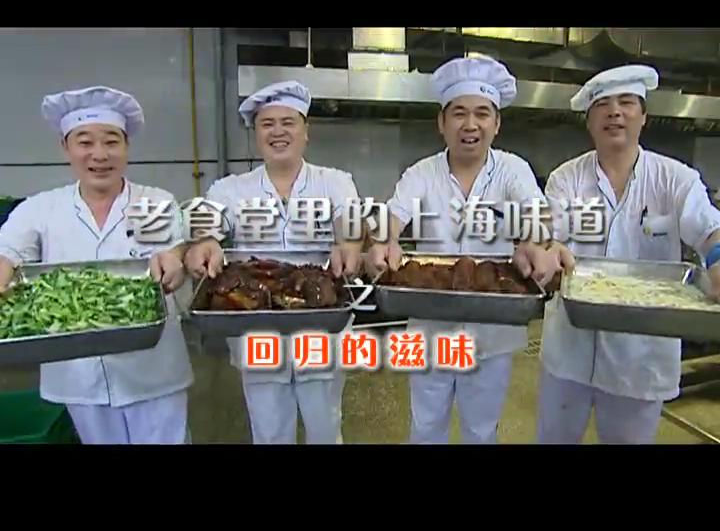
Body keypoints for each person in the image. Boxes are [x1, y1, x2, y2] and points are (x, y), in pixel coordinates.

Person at [367, 56, 565, 444]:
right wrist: (382, 240)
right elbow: (392, 215)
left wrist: (534, 241)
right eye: (459, 113)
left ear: (497, 123)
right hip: (429, 329)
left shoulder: (513, 170)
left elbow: (535, 212)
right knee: (425, 428)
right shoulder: (421, 173)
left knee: (481, 430)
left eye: (482, 113)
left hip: (492, 333)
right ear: (442, 123)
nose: (470, 124)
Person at [0, 86, 194, 444]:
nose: (99, 154)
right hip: (77, 377)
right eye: (85, 142)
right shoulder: (40, 209)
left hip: (153, 373)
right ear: (66, 148)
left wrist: (174, 260)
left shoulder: (155, 202)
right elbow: (8, 250)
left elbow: (174, 247)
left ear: (126, 147)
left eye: (111, 141)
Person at [537, 65, 720, 444]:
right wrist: (546, 251)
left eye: (626, 102)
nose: (615, 112)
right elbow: (547, 235)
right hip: (569, 351)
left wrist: (718, 258)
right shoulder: (566, 179)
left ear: (644, 116)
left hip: (641, 360)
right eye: (602, 105)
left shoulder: (675, 179)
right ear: (589, 121)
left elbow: (709, 229)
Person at [184, 80, 361, 444]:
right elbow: (206, 228)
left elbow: (349, 225)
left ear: (306, 131)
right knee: (269, 430)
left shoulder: (336, 182)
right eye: (267, 124)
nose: (278, 131)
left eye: (288, 122)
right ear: (256, 135)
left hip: (320, 327)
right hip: (256, 331)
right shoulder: (229, 189)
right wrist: (205, 243)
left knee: (325, 427)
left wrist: (348, 243)